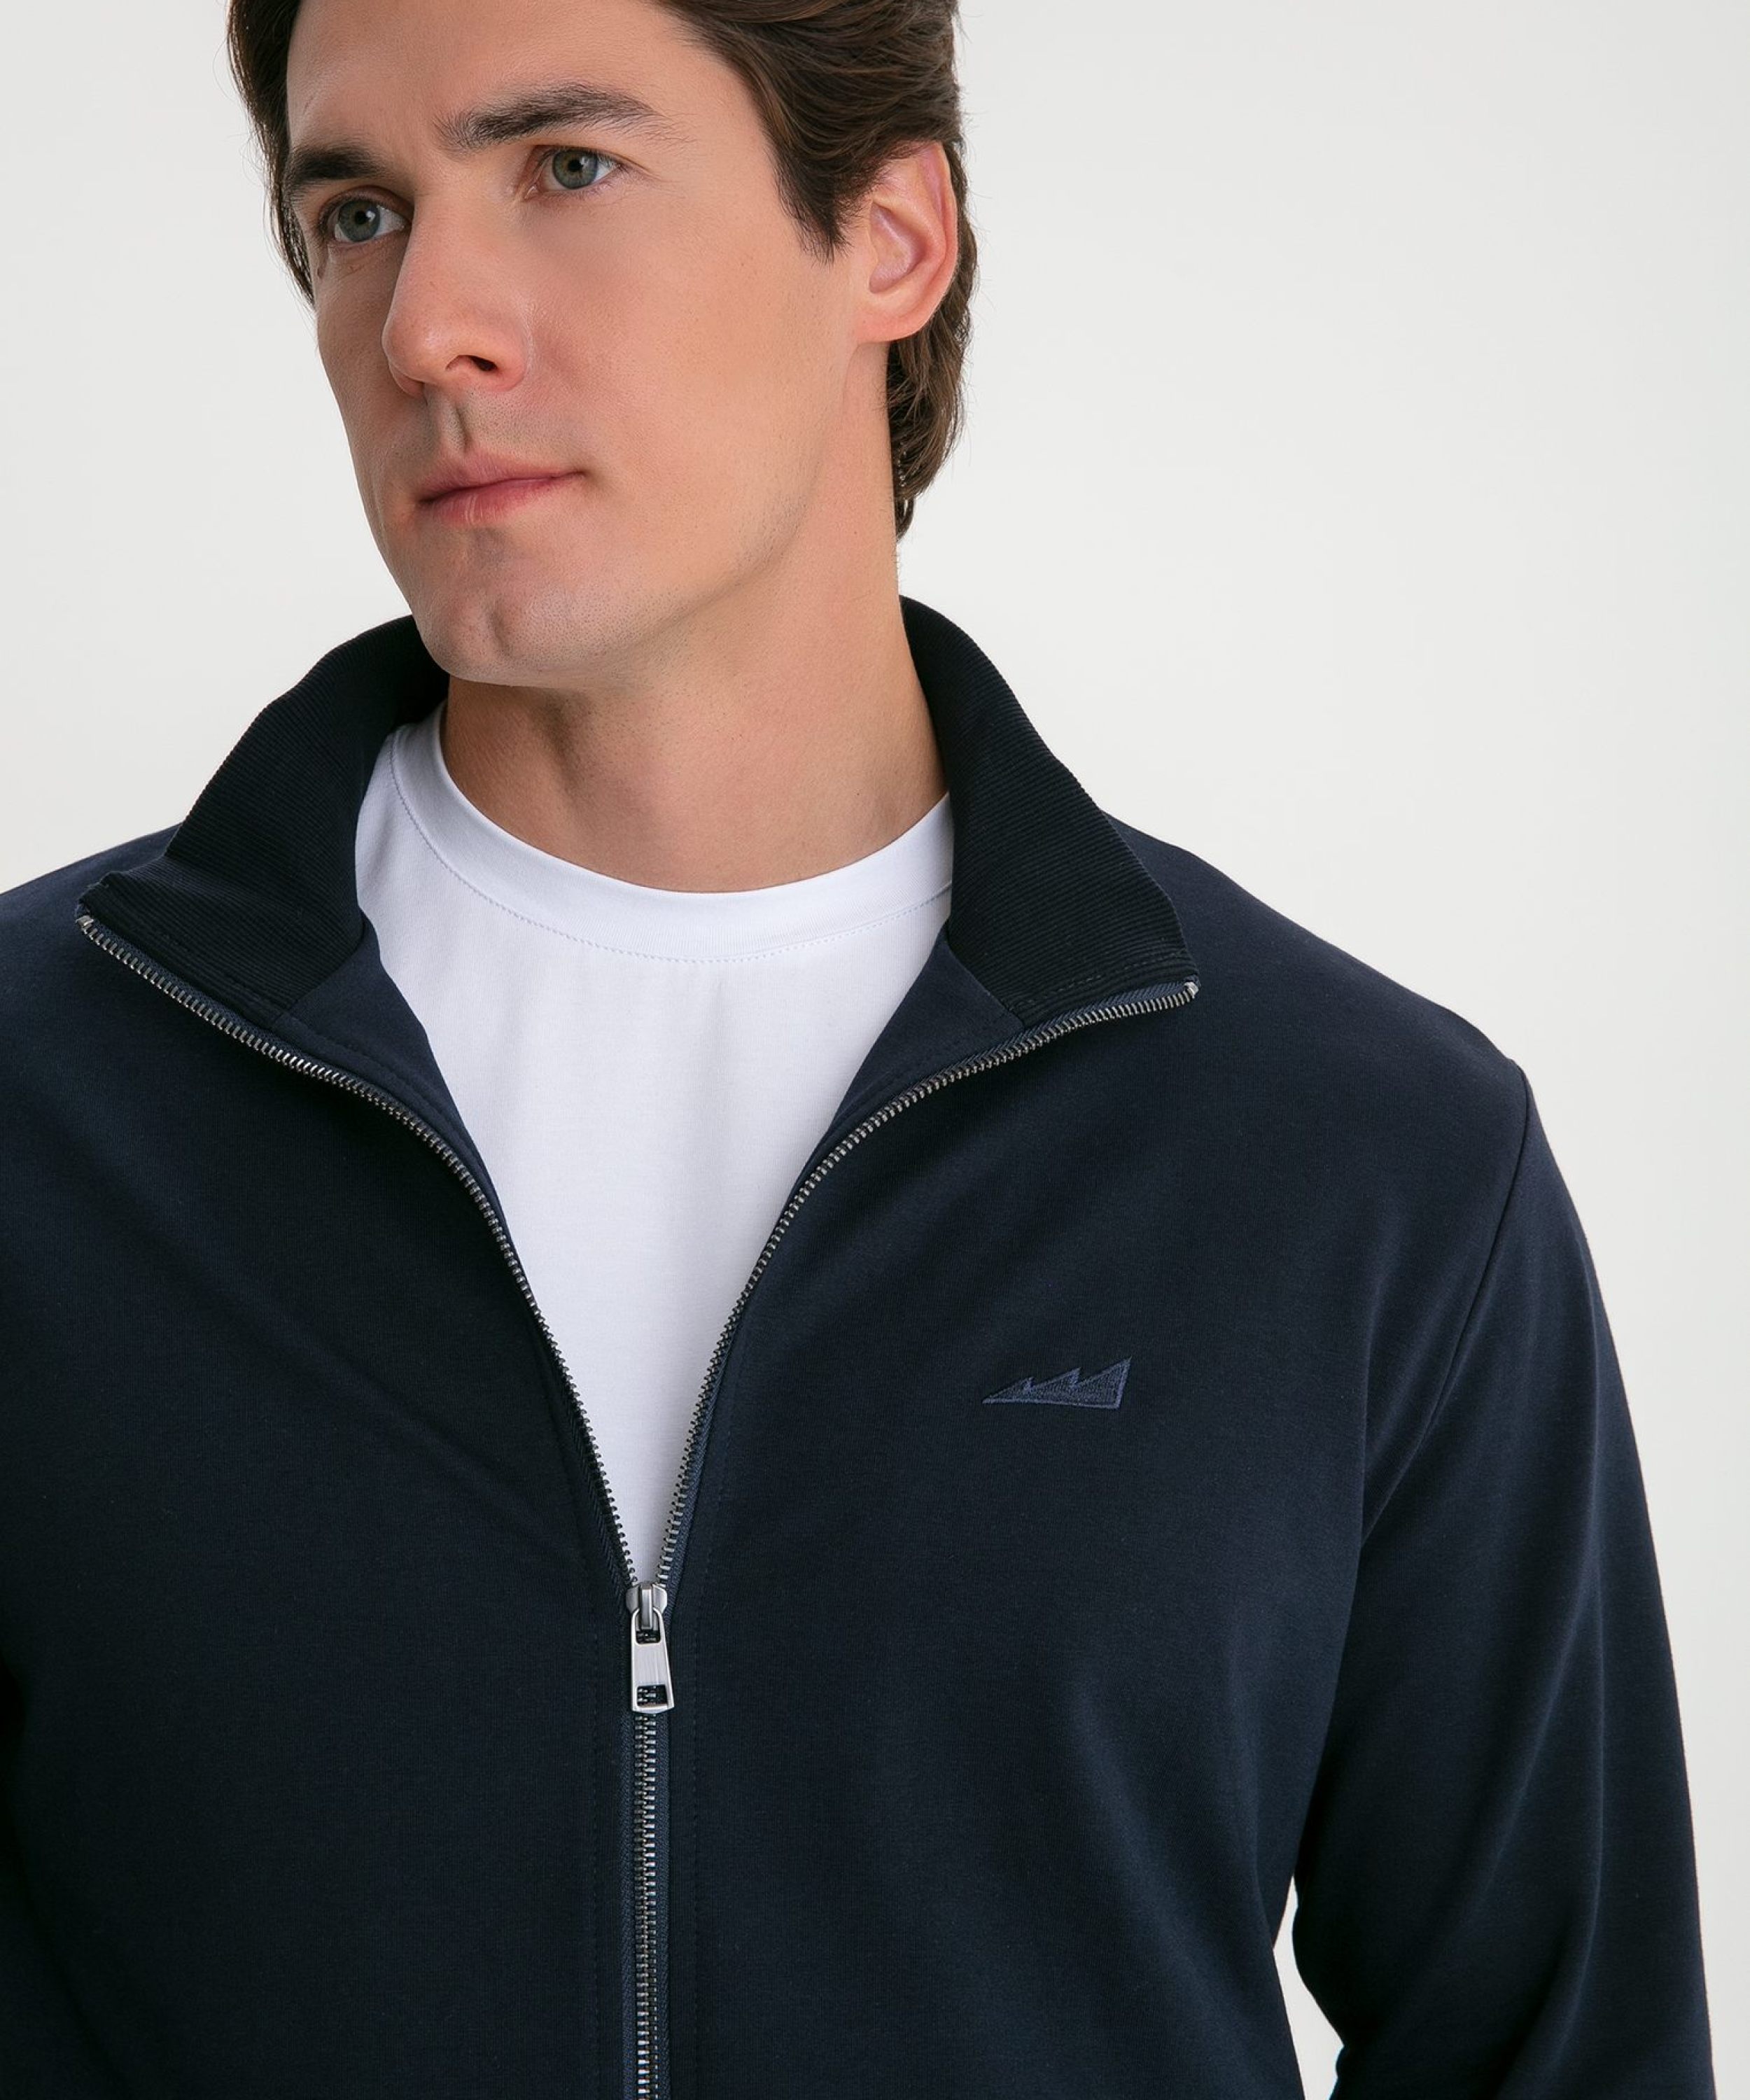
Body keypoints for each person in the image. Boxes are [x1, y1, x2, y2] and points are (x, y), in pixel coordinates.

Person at [0, 0, 1717, 2092]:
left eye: (565, 168)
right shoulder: (41, 1109)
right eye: (358, 212)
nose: (427, 326)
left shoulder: (1358, 1161)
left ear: (891, 240)